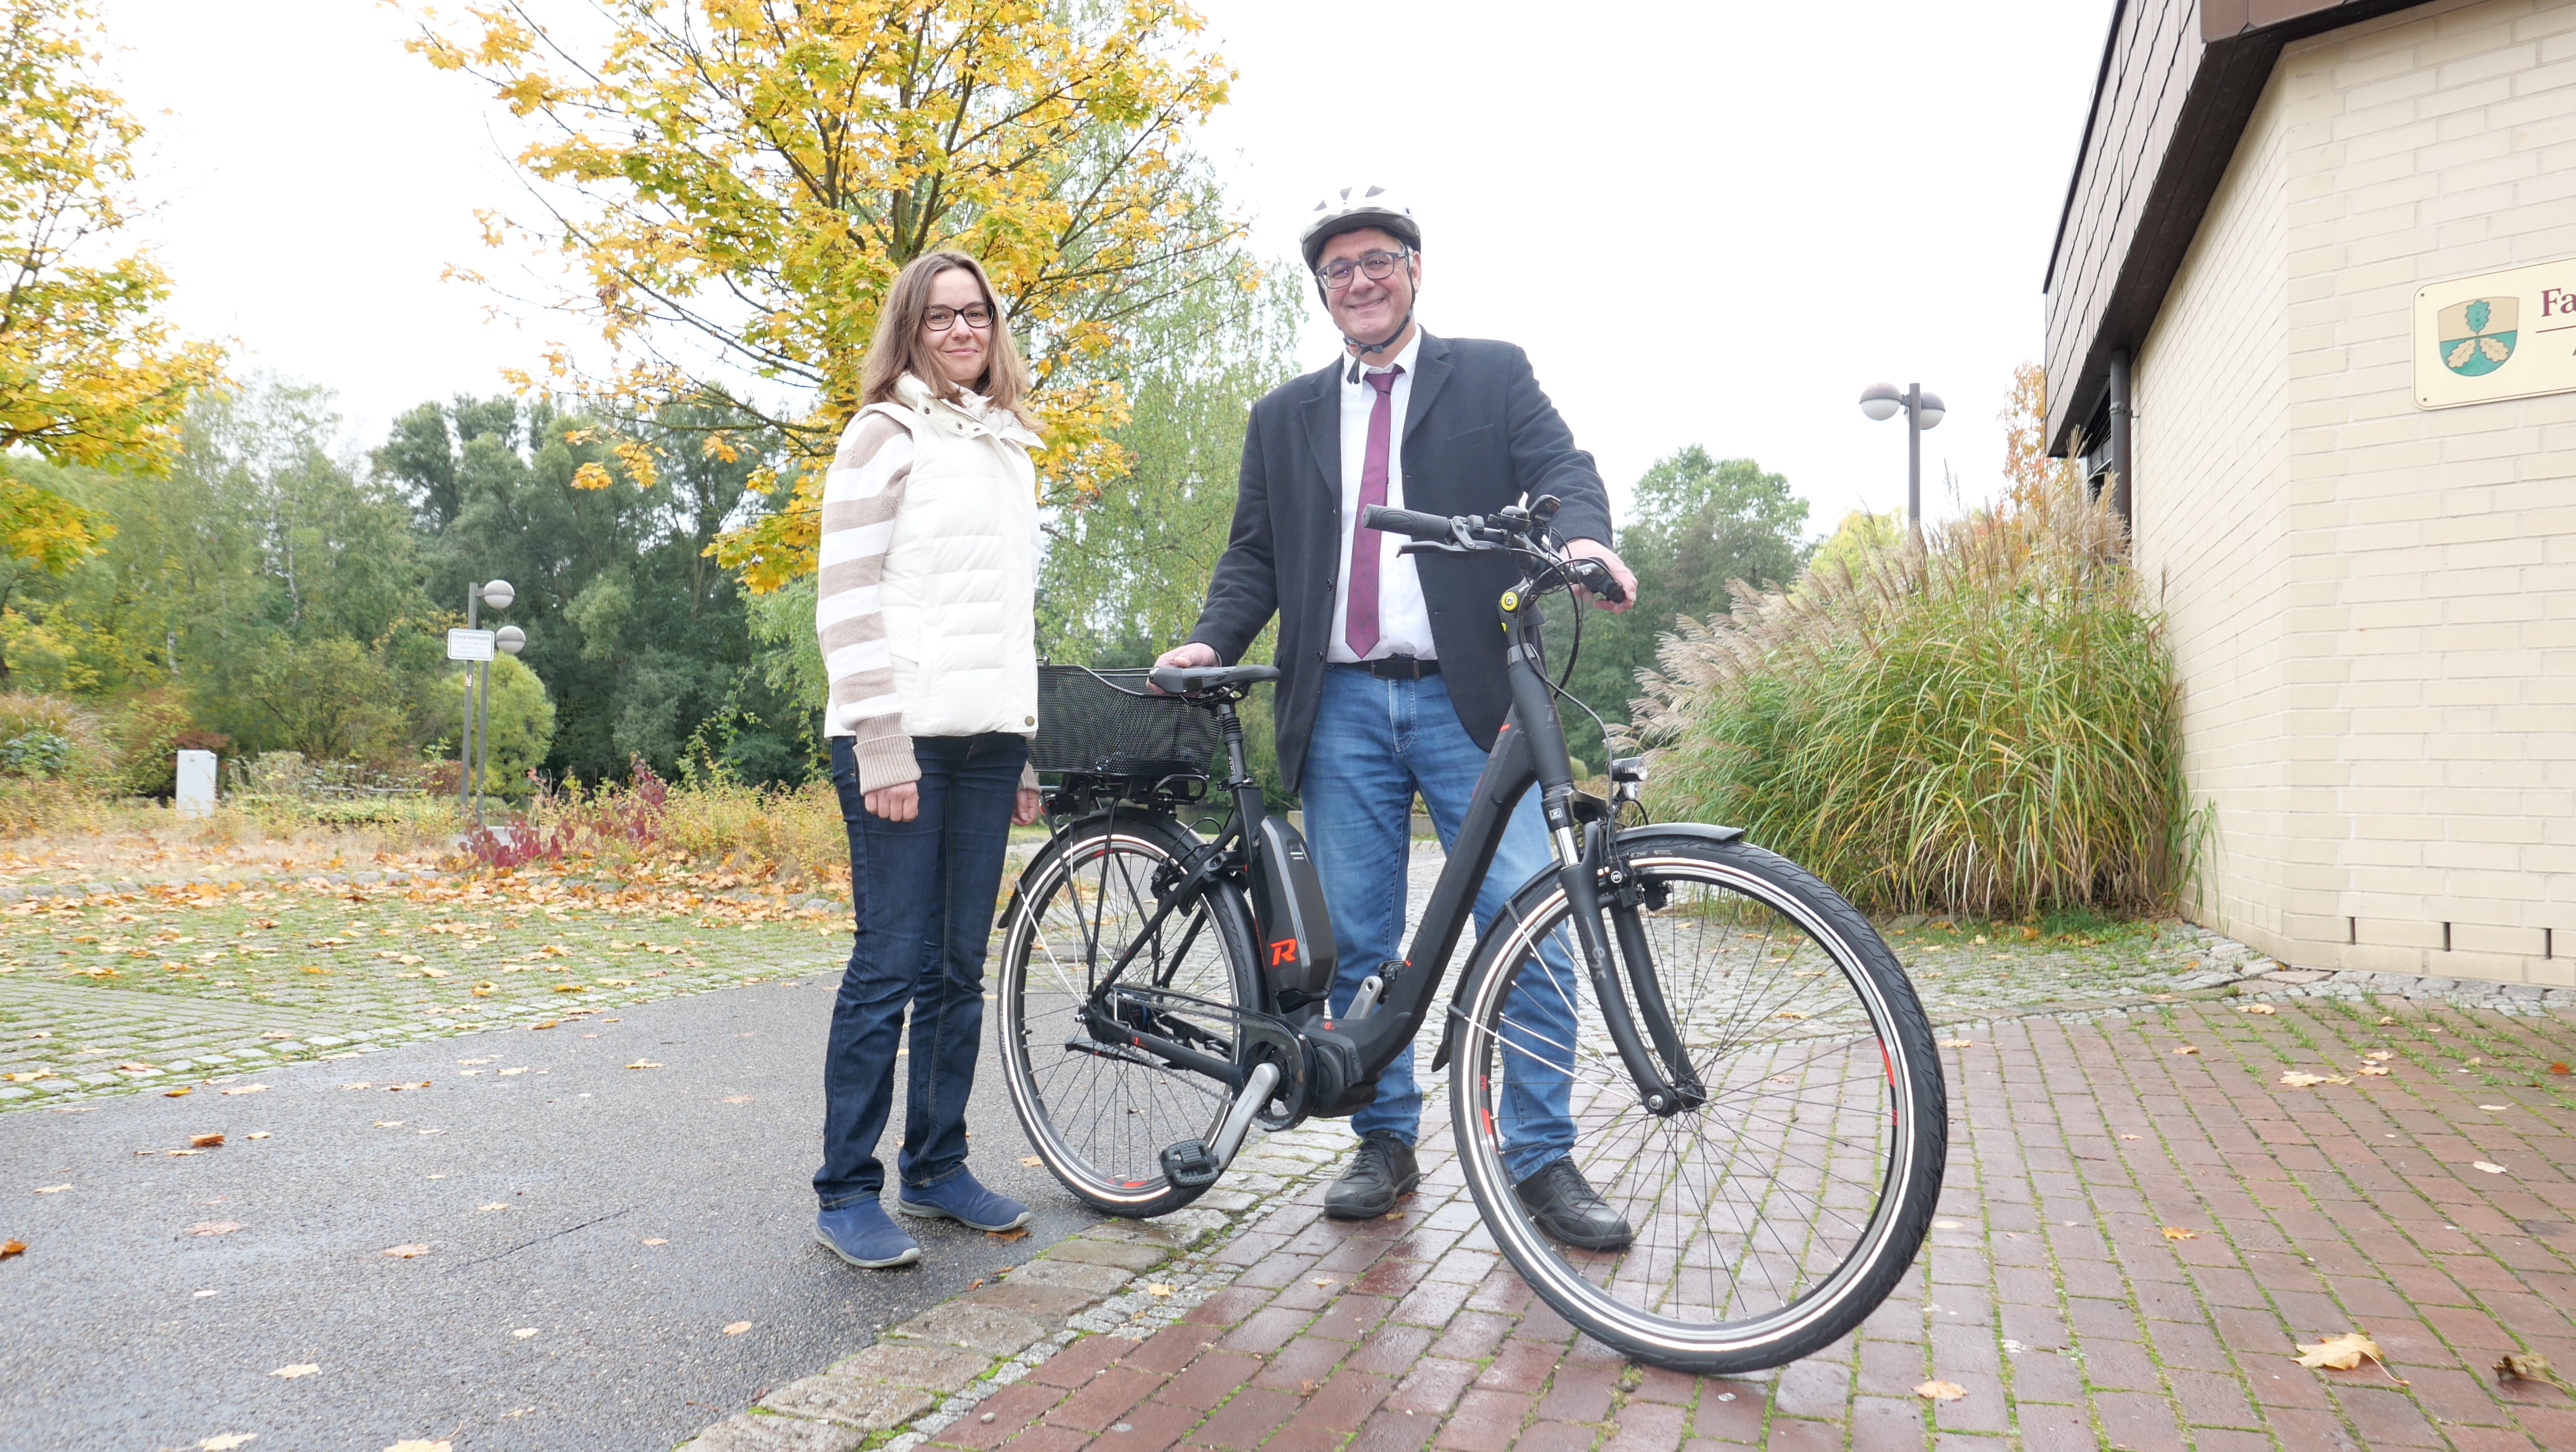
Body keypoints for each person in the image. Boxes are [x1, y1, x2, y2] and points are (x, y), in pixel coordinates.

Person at [1156, 186, 1642, 1247]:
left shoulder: (1492, 373)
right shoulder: (1284, 414)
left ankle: (1540, 1156)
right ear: (1322, 292)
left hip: (1472, 703)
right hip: (1338, 706)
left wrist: (1585, 539)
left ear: (1415, 270)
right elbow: (1254, 555)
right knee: (1360, 942)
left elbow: (1562, 471)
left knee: (1530, 919)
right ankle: (1383, 1140)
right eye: (1338, 269)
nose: (1360, 280)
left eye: (1379, 259)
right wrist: (1209, 639)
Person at [810, 250, 1047, 1269]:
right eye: (941, 317)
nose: (962, 331)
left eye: (977, 314)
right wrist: (881, 742)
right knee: (889, 965)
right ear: (909, 331)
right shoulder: (884, 433)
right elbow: (845, 598)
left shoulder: (1008, 446)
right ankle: (844, 1191)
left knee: (957, 969)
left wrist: (1023, 744)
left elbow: (1008, 614)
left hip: (988, 744)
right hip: (898, 743)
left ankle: (937, 1166)